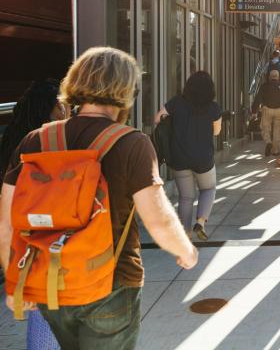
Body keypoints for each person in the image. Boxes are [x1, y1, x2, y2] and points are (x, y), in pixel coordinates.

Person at [1, 46, 198, 349]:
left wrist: (17, 280)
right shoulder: (132, 143)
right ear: (126, 91)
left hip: (50, 282)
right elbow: (157, 219)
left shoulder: (37, 139)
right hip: (112, 285)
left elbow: (8, 221)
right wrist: (185, 250)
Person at [0, 79, 64, 350]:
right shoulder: (44, 143)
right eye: (60, 104)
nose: (64, 109)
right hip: (39, 234)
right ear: (49, 109)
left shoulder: (12, 138)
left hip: (19, 231)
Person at [155, 71, 222, 241]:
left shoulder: (177, 103)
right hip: (203, 158)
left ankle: (184, 234)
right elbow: (216, 132)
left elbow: (157, 119)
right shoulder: (213, 107)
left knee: (185, 197)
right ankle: (200, 222)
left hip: (179, 158)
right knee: (208, 188)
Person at [253, 70, 280, 157]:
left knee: (265, 128)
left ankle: (268, 142)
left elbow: (258, 98)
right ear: (278, 77)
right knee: (278, 130)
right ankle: (276, 150)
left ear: (270, 77)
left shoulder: (264, 86)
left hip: (267, 109)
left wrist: (254, 111)